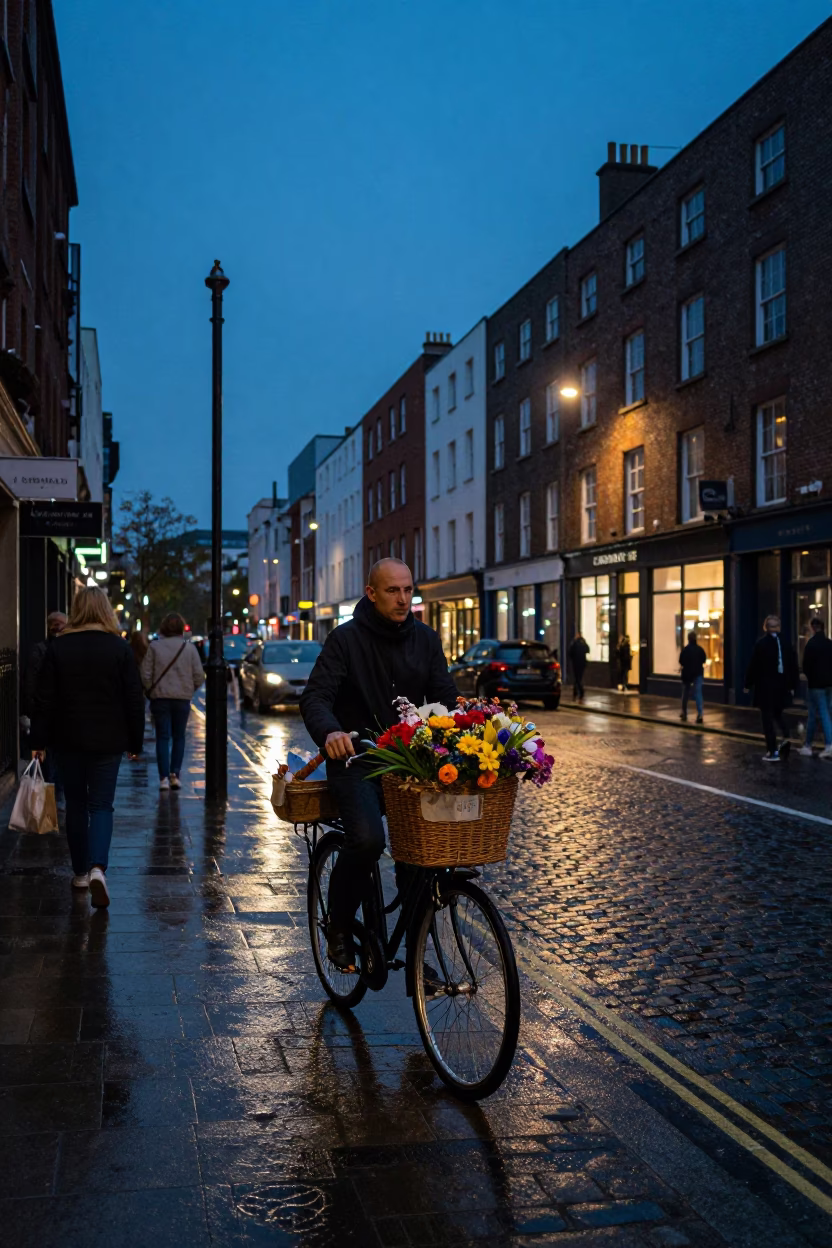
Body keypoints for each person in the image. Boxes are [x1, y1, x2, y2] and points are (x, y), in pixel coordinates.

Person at [300, 558, 459, 971]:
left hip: (410, 766)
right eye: (393, 591)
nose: (403, 598)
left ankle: (416, 946)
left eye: (408, 590)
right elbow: (315, 696)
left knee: (421, 855)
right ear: (371, 593)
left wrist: (464, 736)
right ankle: (338, 924)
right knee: (368, 841)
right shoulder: (345, 640)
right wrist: (332, 733)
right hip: (357, 761)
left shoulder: (426, 640)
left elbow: (446, 700)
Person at [30, 587, 144, 907]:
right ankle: (98, 867)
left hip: (68, 739)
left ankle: (80, 873)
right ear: (106, 610)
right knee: (102, 805)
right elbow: (133, 699)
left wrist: (38, 740)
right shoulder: (119, 648)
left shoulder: (59, 646)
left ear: (76, 609)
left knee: (76, 805)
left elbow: (45, 699)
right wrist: (135, 742)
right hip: (108, 740)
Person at [140, 613, 205, 791]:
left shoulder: (154, 647)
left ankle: (162, 779)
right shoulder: (189, 648)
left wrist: (150, 690)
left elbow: (145, 673)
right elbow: (199, 675)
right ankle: (175, 774)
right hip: (181, 699)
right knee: (179, 737)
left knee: (162, 736)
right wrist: (189, 689)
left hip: (159, 698)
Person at [744, 615, 799, 762]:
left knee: (767, 720)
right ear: (778, 627)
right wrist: (793, 686)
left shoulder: (761, 644)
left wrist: (747, 685)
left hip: (766, 688)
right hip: (782, 687)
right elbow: (793, 666)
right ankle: (786, 736)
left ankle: (772, 751)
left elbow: (754, 666)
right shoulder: (786, 643)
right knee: (778, 714)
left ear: (766, 627)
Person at [799, 617, 832, 758]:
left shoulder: (811, 644)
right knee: (823, 713)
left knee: (817, 714)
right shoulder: (829, 643)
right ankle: (808, 744)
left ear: (813, 628)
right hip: (829, 684)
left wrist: (809, 676)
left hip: (815, 685)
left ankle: (828, 745)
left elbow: (806, 666)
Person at [127, 630, 149, 761]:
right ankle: (136, 748)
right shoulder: (146, 652)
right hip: (141, 689)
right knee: (139, 718)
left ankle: (131, 748)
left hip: (130, 687)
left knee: (130, 718)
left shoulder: (128, 650)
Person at [679, 630, 707, 723]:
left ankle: (684, 712)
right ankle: (700, 714)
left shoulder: (685, 650)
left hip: (687, 675)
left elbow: (681, 661)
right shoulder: (700, 649)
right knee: (698, 693)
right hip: (698, 673)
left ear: (688, 639)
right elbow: (704, 659)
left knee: (685, 693)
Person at [568, 632, 589, 701]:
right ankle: (576, 692)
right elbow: (588, 650)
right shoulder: (583, 642)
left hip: (576, 663)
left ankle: (579, 692)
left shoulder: (574, 643)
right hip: (582, 663)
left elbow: (570, 652)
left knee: (577, 678)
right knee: (578, 678)